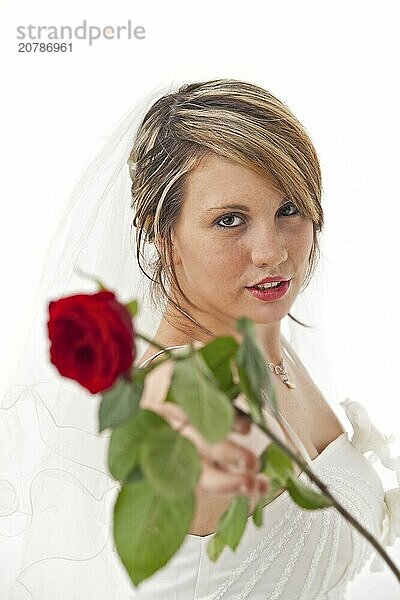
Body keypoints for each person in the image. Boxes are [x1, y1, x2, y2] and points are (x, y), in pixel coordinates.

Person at [1, 78, 398, 599]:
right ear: (161, 233)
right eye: (230, 220)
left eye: (289, 210)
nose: (271, 251)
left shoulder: (256, 344)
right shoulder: (190, 407)